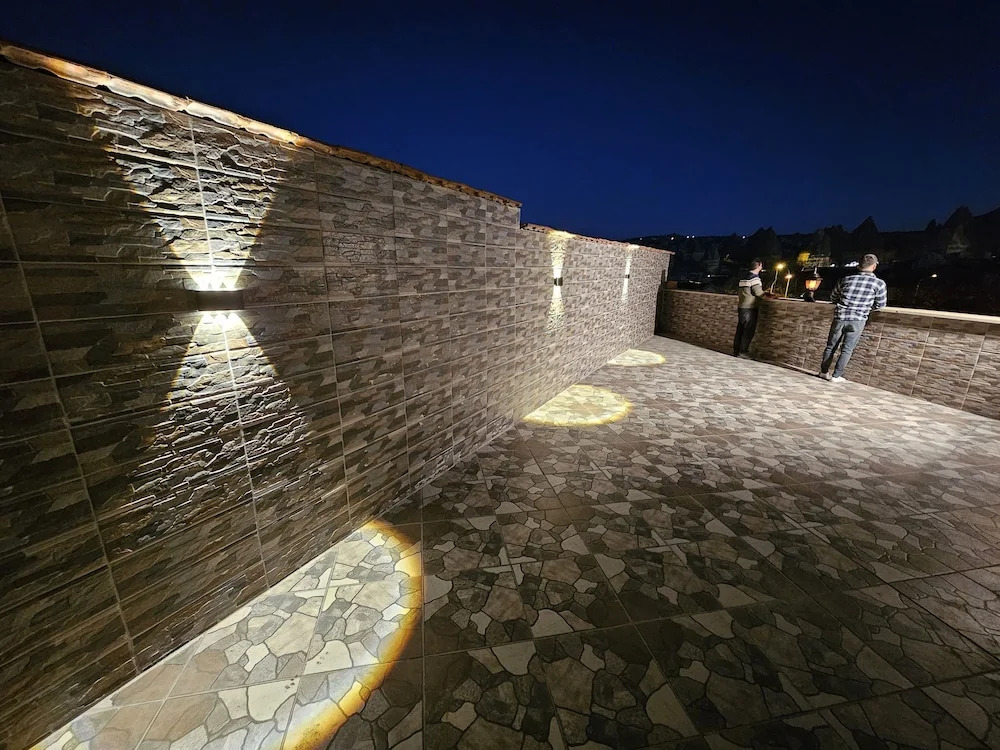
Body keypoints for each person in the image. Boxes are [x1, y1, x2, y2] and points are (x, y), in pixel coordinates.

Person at [820, 253, 887, 382]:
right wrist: (867, 307)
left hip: (840, 316)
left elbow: (833, 297)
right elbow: (880, 304)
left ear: (858, 266)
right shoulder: (879, 284)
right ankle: (836, 376)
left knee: (831, 346)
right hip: (858, 319)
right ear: (874, 267)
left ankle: (823, 372)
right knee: (847, 349)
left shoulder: (846, 279)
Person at [734, 259, 766, 358]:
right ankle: (743, 352)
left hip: (742, 306)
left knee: (740, 329)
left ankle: (736, 350)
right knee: (748, 330)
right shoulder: (755, 278)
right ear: (759, 266)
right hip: (750, 307)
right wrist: (768, 296)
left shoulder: (743, 277)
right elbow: (758, 293)